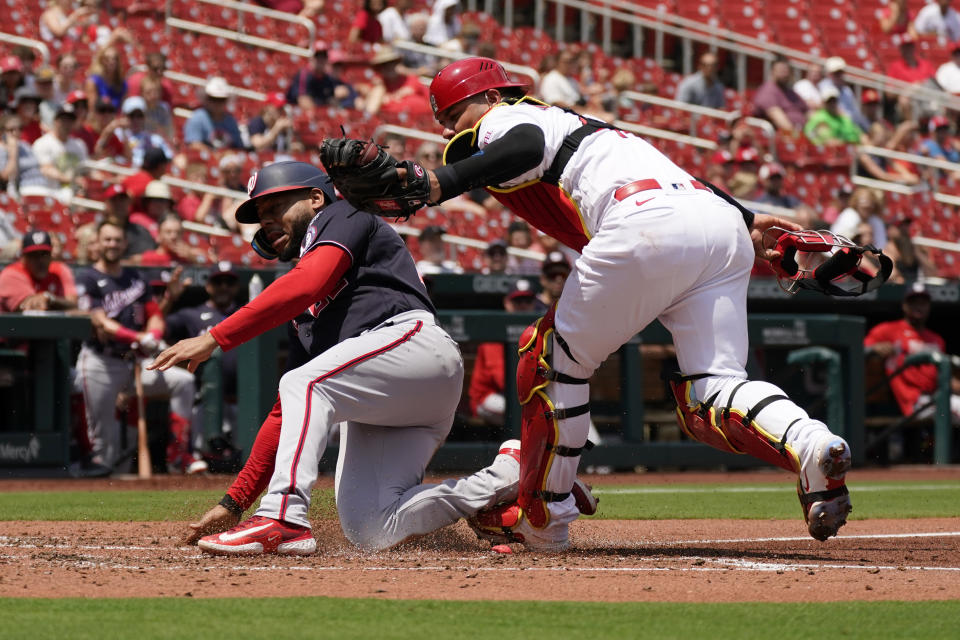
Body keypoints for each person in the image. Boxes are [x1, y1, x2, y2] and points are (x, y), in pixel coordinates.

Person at [416, 56, 853, 547]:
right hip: (717, 221)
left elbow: (526, 145)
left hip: (644, 219)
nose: (451, 128)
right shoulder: (594, 129)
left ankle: (544, 517)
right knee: (714, 388)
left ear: (494, 97)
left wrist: (439, 184)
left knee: (549, 360)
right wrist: (748, 218)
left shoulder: (513, 117)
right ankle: (813, 443)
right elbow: (689, 182)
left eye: (455, 114)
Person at [148, 161, 540, 555]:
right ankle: (506, 474)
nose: (266, 221)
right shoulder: (306, 314)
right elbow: (286, 411)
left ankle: (284, 515)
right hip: (389, 396)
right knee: (371, 529)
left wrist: (215, 337)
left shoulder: (343, 214)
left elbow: (308, 282)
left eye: (275, 206)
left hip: (414, 347)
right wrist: (233, 503)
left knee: (304, 382)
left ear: (315, 197)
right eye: (260, 216)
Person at [74, 218, 199, 474]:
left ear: (125, 244)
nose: (112, 244)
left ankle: (178, 455)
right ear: (97, 243)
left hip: (134, 363)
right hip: (101, 363)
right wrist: (138, 337)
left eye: (117, 240)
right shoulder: (87, 277)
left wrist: (153, 332)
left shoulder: (135, 276)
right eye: (107, 239)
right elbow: (100, 321)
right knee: (103, 449)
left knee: (183, 382)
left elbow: (153, 312)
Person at [163, 262, 242, 442]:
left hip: (242, 402)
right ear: (208, 286)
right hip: (204, 401)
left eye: (229, 283)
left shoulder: (245, 313)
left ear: (237, 287)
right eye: (218, 282)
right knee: (204, 457)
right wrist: (169, 299)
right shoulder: (191, 314)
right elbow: (157, 327)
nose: (223, 287)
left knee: (244, 460)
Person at [865, 283, 960, 423]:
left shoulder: (936, 339)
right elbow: (860, 349)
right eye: (914, 302)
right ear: (904, 305)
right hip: (913, 400)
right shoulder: (889, 330)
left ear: (929, 306)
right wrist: (874, 348)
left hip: (937, 397)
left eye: (923, 303)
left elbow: (941, 375)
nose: (918, 307)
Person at [469, 278, 538, 427]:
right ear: (507, 303)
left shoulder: (539, 332)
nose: (523, 306)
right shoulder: (495, 331)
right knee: (529, 412)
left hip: (523, 396)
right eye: (518, 302)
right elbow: (502, 380)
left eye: (527, 301)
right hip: (488, 397)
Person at [0, 229, 77, 312]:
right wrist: (50, 300)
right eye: (34, 255)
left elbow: (73, 304)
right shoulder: (11, 274)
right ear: (23, 258)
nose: (40, 260)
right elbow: (31, 308)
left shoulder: (59, 271)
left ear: (51, 255)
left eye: (44, 254)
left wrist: (49, 298)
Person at [31, 102, 88, 202]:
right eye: (63, 120)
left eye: (70, 120)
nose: (66, 124)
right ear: (55, 121)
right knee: (68, 195)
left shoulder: (79, 144)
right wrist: (70, 179)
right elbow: (46, 169)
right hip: (52, 191)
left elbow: (87, 169)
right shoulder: (42, 143)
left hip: (77, 190)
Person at [182, 77, 244, 151]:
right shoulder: (197, 118)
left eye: (221, 100)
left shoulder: (231, 121)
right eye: (213, 99)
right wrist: (215, 155)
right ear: (207, 99)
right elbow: (193, 144)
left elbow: (239, 146)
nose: (217, 103)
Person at [751, 56, 808, 134]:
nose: (785, 74)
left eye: (787, 71)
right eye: (781, 70)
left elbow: (808, 111)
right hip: (785, 138)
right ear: (772, 71)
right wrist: (797, 136)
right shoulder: (768, 91)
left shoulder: (790, 92)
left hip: (805, 134)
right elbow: (780, 120)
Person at [0, 114, 48, 199]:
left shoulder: (25, 145)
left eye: (20, 128)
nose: (16, 132)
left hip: (43, 187)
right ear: (2, 132)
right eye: (11, 130)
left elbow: (39, 167)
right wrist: (13, 152)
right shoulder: (2, 149)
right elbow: (6, 176)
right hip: (23, 190)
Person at [84, 45, 128, 112]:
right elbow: (91, 110)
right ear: (102, 61)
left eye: (114, 58)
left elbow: (123, 108)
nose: (111, 62)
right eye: (107, 59)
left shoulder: (122, 83)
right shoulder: (93, 82)